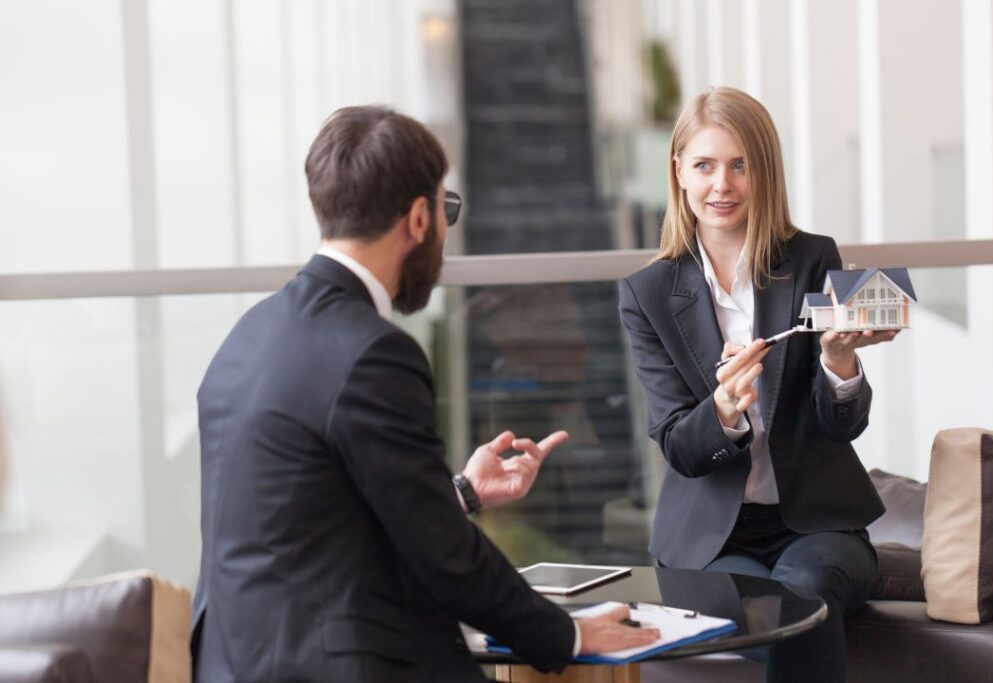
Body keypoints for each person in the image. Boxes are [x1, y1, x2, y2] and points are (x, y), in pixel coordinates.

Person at [190, 105, 658, 683]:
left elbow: (310, 517)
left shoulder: (250, 332)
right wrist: (569, 633)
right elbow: (447, 559)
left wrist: (460, 492)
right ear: (418, 218)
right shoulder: (372, 354)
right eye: (446, 210)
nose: (444, 229)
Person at [618, 87, 897, 682]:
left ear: (764, 171)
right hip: (710, 538)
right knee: (761, 603)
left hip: (818, 524)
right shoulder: (647, 294)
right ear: (679, 173)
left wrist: (839, 364)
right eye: (705, 165)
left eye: (740, 165)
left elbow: (842, 424)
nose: (722, 184)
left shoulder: (813, 259)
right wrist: (723, 410)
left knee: (803, 593)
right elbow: (677, 446)